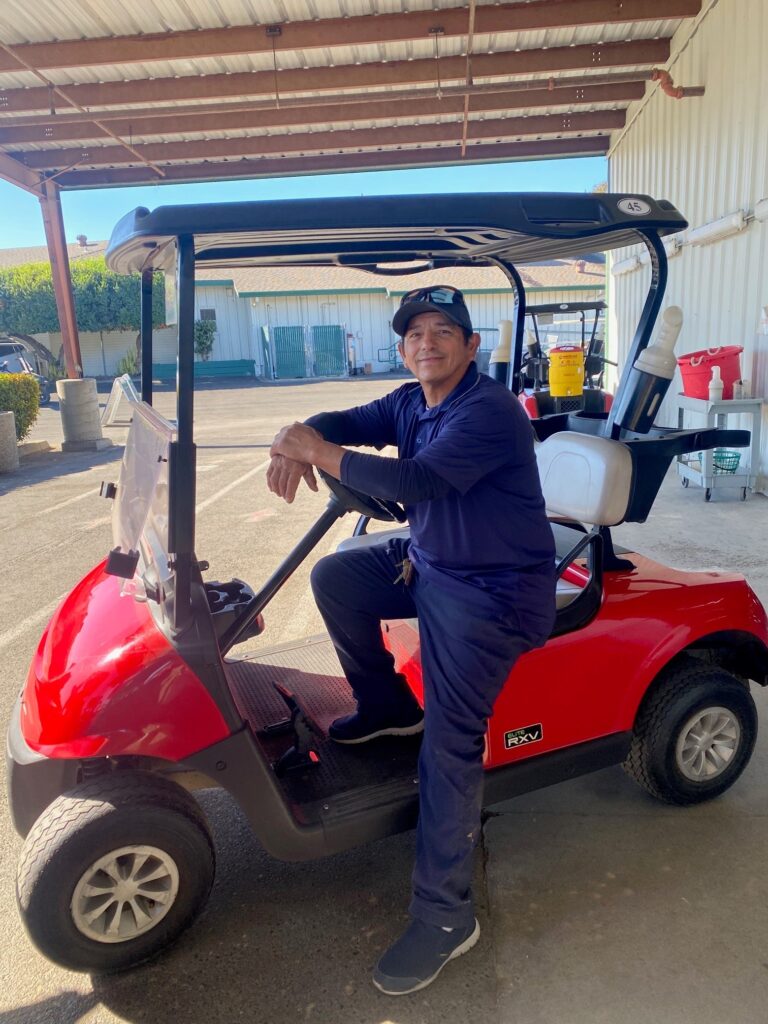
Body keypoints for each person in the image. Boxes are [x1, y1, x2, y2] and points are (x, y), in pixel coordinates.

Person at [268, 285, 556, 996]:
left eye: (442, 332)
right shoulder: (409, 399)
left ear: (470, 345)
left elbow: (418, 479)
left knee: (452, 742)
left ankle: (448, 917)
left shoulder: (488, 410)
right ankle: (389, 706)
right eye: (414, 334)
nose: (426, 343)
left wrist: (322, 453)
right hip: (431, 564)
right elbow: (345, 420)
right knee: (339, 578)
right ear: (403, 348)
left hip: (493, 592)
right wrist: (301, 435)